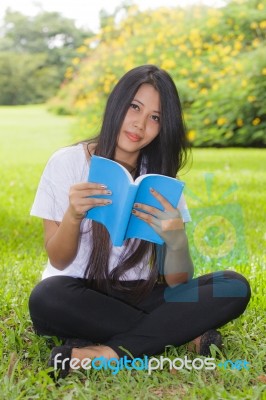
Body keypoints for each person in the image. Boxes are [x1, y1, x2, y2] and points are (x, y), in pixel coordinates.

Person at [28, 65, 251, 379]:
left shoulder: (160, 180)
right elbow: (58, 258)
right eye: (135, 107)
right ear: (117, 103)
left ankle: (106, 352)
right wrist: (73, 216)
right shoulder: (67, 162)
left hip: (137, 293)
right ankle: (182, 335)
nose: (140, 123)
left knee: (232, 286)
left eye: (155, 117)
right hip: (73, 293)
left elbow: (178, 281)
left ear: (163, 127)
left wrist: (175, 238)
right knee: (45, 297)